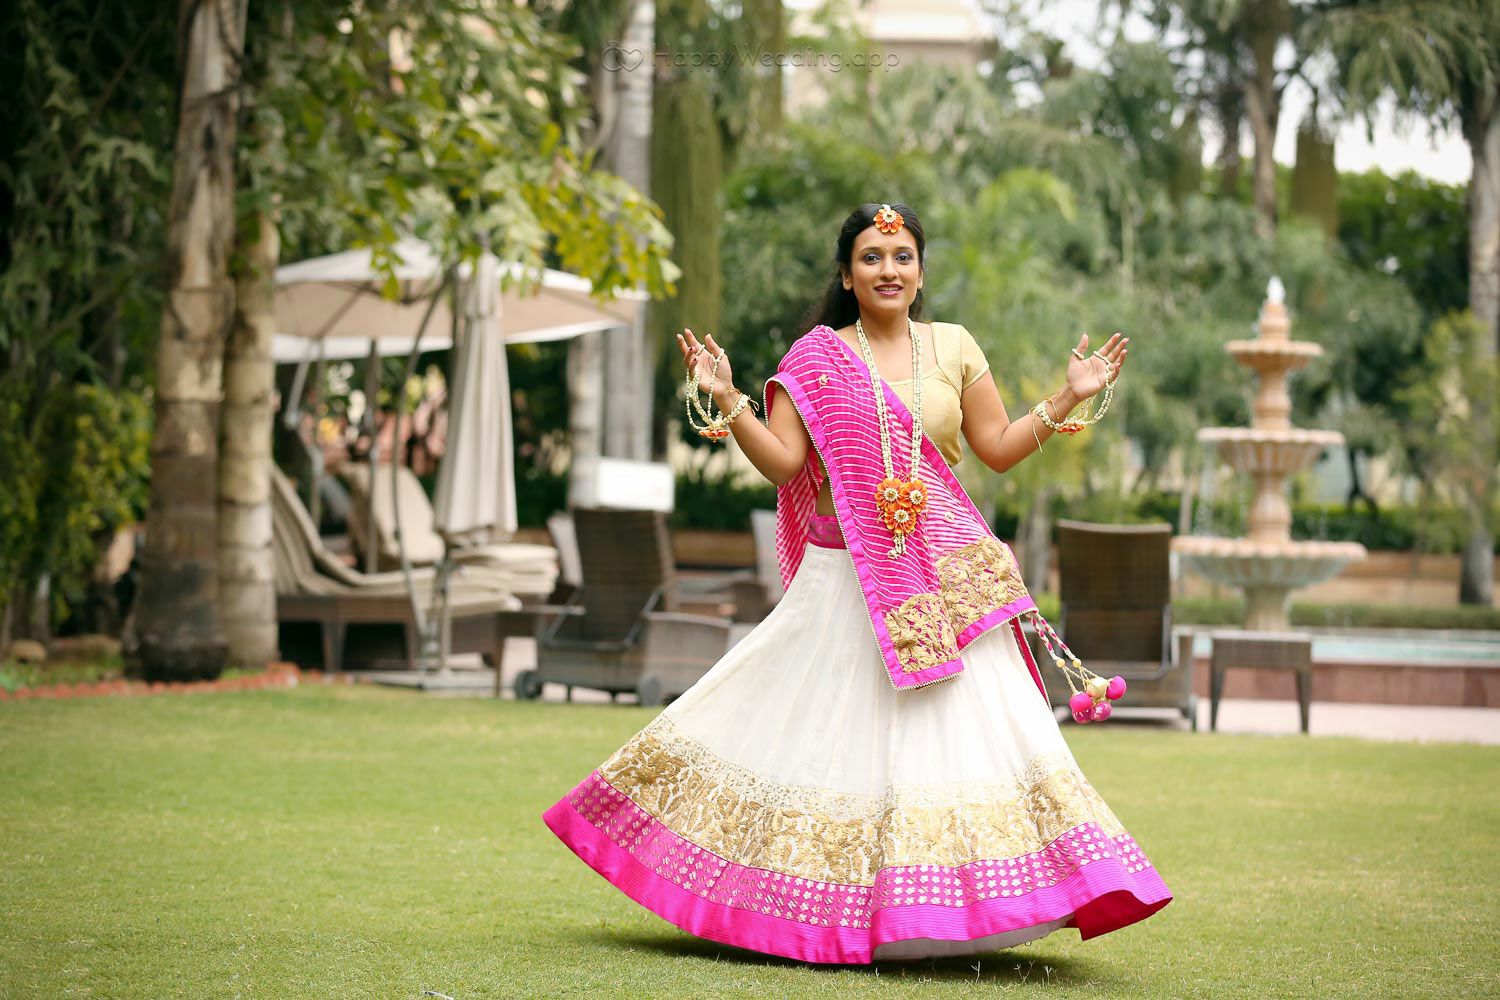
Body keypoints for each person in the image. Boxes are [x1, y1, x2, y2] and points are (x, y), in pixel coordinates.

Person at [542, 202, 1171, 964]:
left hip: (940, 586)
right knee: (806, 732)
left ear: (921, 272)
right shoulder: (816, 360)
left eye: (903, 256)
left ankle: (960, 912)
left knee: (956, 744)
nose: (888, 270)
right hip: (845, 581)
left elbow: (999, 448)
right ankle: (806, 907)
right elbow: (783, 464)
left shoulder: (954, 347)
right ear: (847, 275)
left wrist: (1071, 394)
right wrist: (730, 398)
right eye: (872, 257)